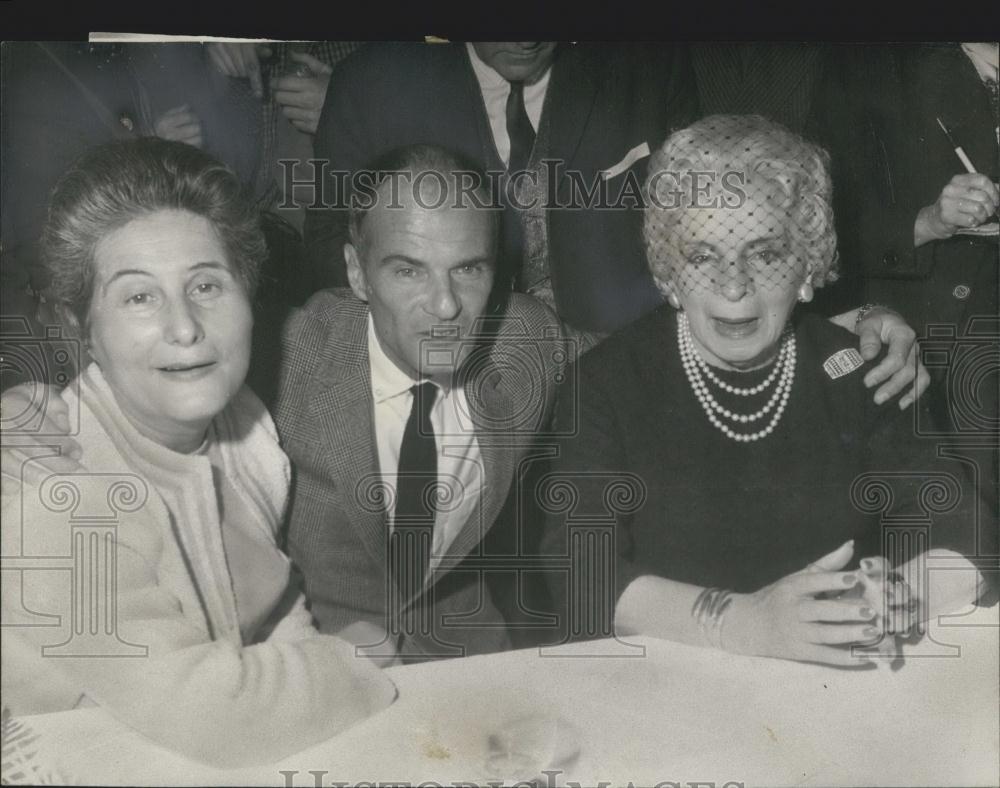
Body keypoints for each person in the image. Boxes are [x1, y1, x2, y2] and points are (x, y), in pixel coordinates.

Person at [541, 116, 992, 666]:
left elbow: (971, 535)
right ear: (666, 274)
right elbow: (578, 573)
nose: (734, 284)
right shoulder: (604, 385)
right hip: (668, 688)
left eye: (766, 253)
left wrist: (884, 601)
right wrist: (741, 623)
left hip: (835, 681)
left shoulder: (860, 370)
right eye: (703, 256)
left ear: (809, 266)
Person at [0, 139, 395, 766]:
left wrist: (319, 659)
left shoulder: (247, 427)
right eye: (138, 296)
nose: (184, 326)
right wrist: (351, 664)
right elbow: (214, 716)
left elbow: (272, 611)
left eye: (207, 284)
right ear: (83, 327)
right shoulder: (53, 485)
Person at [302, 40, 697, 332]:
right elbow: (332, 243)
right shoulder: (373, 84)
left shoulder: (649, 66)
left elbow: (692, 233)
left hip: (611, 365)